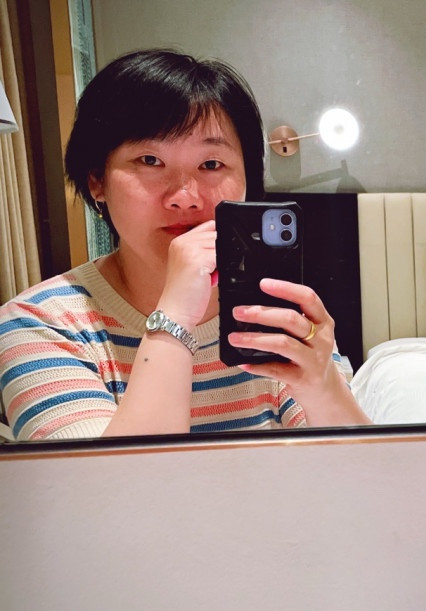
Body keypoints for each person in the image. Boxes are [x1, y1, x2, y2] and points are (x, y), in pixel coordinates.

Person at [0, 48, 370, 441]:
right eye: (149, 160)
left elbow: (357, 469)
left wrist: (323, 386)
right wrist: (174, 318)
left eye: (211, 164)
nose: (185, 197)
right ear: (97, 181)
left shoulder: (274, 314)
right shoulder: (40, 324)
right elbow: (118, 481)